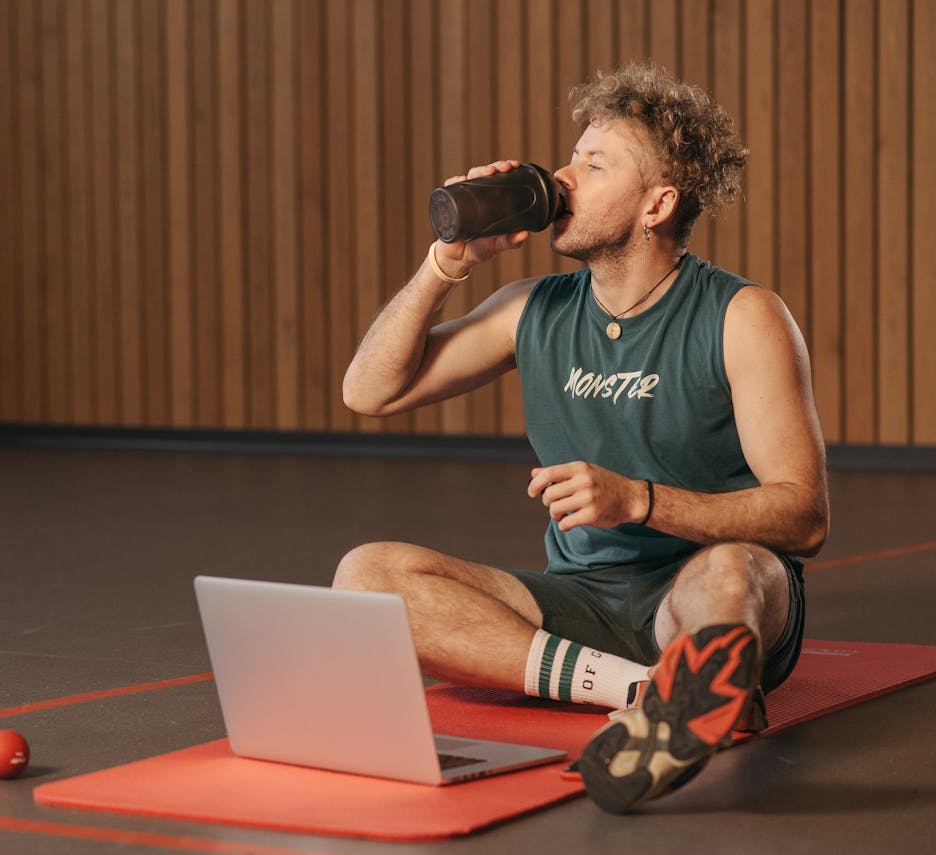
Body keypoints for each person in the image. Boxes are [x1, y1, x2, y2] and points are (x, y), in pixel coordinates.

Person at [333, 60, 829, 813]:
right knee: (365, 576)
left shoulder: (742, 316)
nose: (561, 177)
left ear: (657, 203)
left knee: (733, 573)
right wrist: (447, 264)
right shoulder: (531, 307)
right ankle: (648, 692)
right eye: (570, 157)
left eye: (593, 166)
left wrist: (640, 500)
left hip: (698, 587)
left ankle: (699, 673)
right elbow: (369, 390)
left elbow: (805, 516)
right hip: (579, 600)